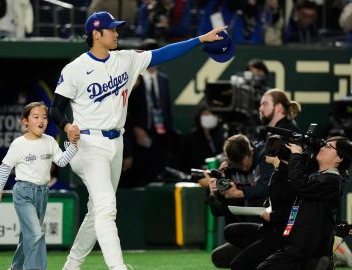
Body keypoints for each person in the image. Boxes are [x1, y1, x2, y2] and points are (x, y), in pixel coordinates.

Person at [49, 10, 231, 270]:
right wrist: (66, 126)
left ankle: (72, 264)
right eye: (111, 29)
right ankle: (118, 267)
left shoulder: (125, 59)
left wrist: (201, 39)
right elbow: (55, 109)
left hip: (116, 142)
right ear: (96, 34)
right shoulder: (75, 68)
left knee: (97, 210)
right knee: (107, 207)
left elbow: (165, 53)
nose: (117, 33)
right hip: (88, 145)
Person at [0, 101, 77, 270]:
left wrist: (73, 146)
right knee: (36, 234)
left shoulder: (50, 141)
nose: (41, 120)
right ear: (25, 121)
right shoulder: (19, 143)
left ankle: (15, 268)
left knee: (28, 237)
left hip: (42, 193)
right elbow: (5, 167)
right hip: (23, 192)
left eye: (44, 117)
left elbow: (61, 161)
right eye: (36, 117)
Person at [257, 136, 352, 270]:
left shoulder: (333, 180)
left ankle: (319, 264)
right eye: (324, 145)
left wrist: (296, 155)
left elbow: (299, 182)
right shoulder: (318, 175)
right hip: (300, 245)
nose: (322, 148)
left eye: (328, 147)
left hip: (306, 247)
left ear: (340, 158)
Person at [211, 154, 296, 269]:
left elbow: (296, 210)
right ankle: (265, 256)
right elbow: (219, 210)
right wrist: (213, 194)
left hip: (282, 234)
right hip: (267, 228)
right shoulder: (275, 173)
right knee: (228, 235)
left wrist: (273, 216)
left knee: (238, 264)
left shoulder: (291, 176)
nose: (266, 151)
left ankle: (276, 258)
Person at [124, 38, 177, 186]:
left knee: (159, 171)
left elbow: (166, 109)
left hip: (161, 134)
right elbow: (128, 109)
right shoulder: (134, 79)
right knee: (141, 174)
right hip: (139, 134)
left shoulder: (163, 79)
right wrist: (136, 128)